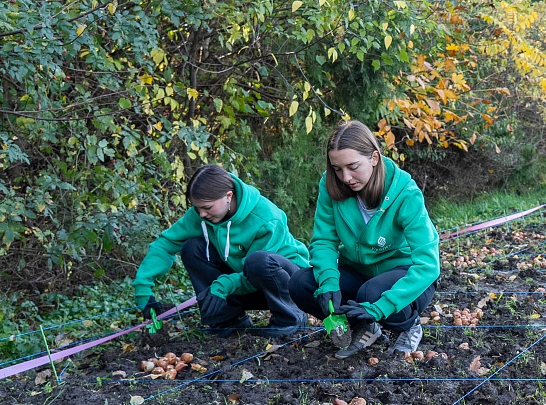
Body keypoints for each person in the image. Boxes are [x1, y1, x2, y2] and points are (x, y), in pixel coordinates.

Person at [289, 120, 440, 359]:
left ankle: (409, 325)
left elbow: (428, 265)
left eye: (353, 167)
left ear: (374, 158)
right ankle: (366, 326)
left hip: (403, 273)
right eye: (337, 169)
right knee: (301, 283)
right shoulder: (330, 187)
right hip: (358, 270)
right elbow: (324, 241)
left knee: (371, 293)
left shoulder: (406, 193)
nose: (345, 177)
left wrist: (380, 307)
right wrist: (328, 282)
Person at [132, 165, 312, 338]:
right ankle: (227, 319)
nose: (202, 214)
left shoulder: (267, 217)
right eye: (197, 208)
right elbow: (165, 244)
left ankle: (291, 317)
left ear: (228, 196)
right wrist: (143, 288)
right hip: (245, 282)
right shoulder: (202, 215)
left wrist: (224, 284)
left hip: (289, 285)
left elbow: (258, 267)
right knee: (192, 248)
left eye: (207, 208)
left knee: (259, 261)